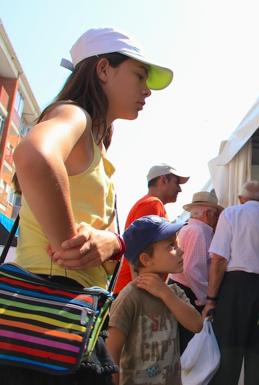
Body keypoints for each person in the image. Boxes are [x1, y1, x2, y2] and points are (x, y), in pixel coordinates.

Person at [6, 27, 173, 384]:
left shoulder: (93, 140)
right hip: (53, 317)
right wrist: (70, 246)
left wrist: (112, 243)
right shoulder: (74, 115)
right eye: (140, 75)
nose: (146, 91)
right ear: (102, 70)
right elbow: (33, 154)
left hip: (65, 318)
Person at [204, 181, 259, 385]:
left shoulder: (231, 214)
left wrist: (211, 299)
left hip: (236, 289)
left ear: (241, 199)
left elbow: (219, 260)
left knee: (228, 354)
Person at [107, 215, 203, 385]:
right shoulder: (130, 297)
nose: (181, 250)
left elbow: (196, 325)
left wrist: (165, 294)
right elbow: (112, 352)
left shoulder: (173, 292)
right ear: (146, 259)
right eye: (171, 246)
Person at [113, 163, 189, 295]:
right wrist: (141, 294)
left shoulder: (151, 203)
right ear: (163, 179)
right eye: (177, 182)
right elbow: (137, 247)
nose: (179, 189)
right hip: (135, 291)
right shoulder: (153, 204)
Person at [168, 190, 223, 353]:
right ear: (207, 213)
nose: (217, 218)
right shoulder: (198, 231)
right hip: (188, 292)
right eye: (215, 214)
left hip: (183, 289)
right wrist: (205, 298)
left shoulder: (192, 229)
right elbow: (192, 270)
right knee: (188, 345)